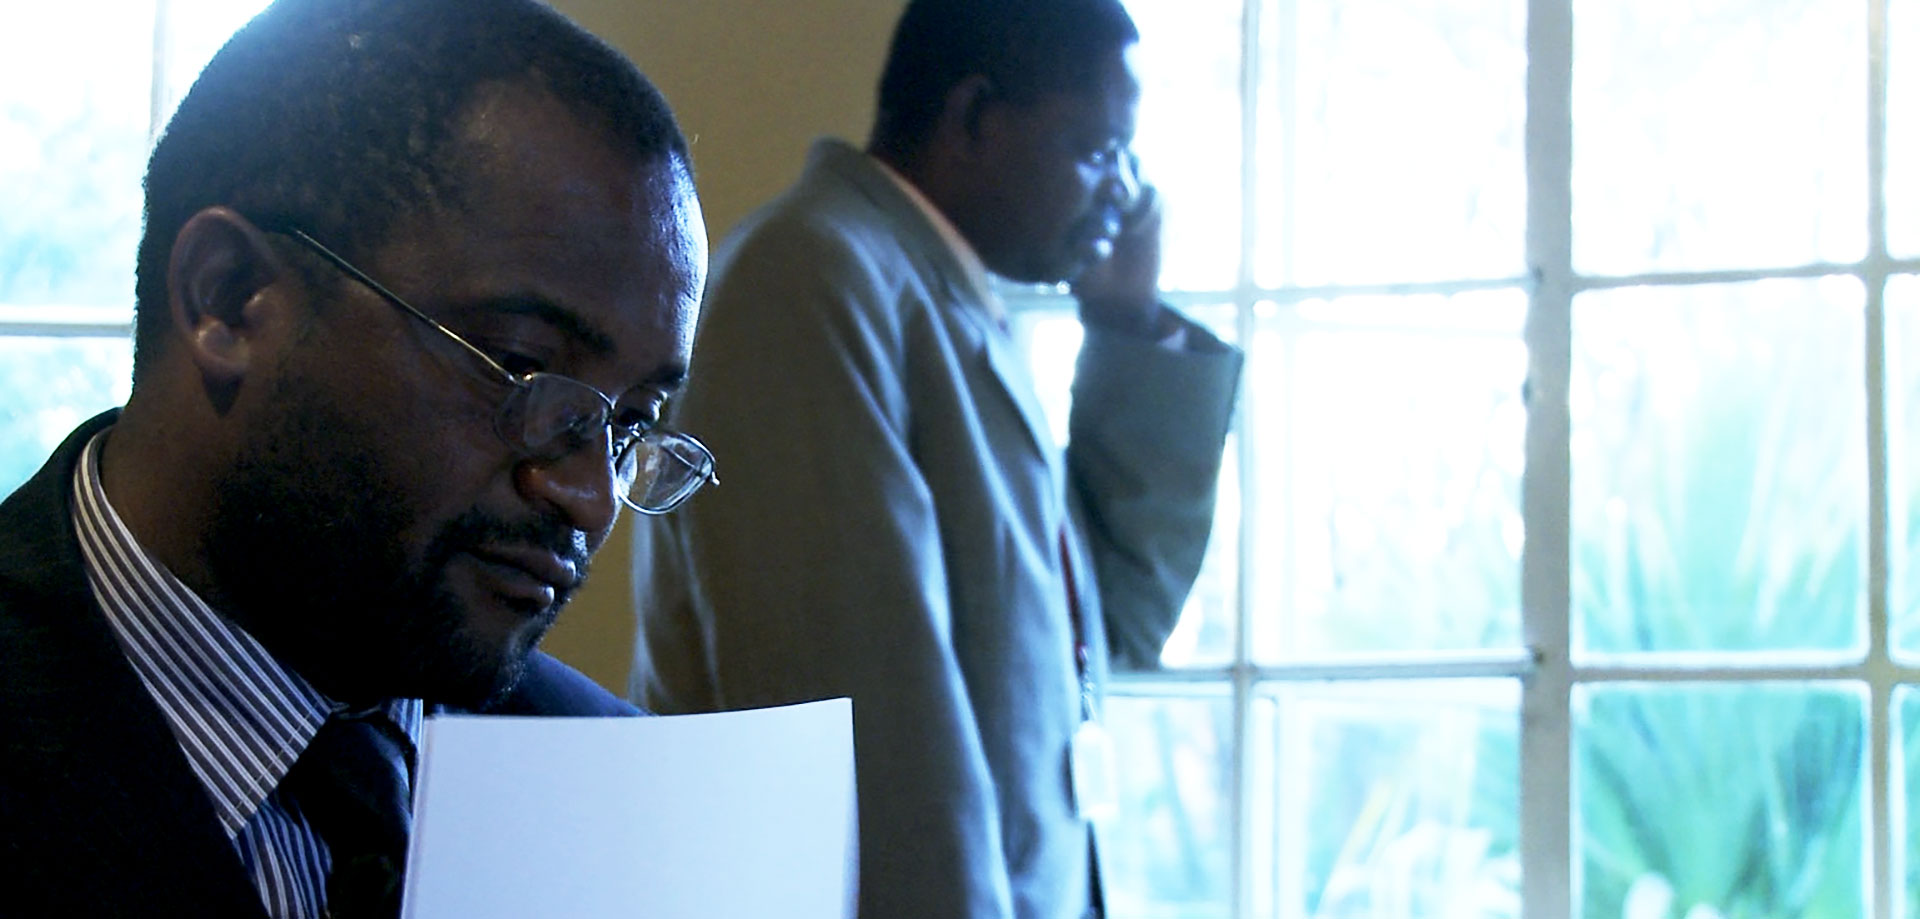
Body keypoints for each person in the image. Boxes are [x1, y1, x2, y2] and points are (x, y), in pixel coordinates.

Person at [0, 0, 713, 915]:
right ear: (229, 297)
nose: (587, 496)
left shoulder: (622, 798)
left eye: (630, 422)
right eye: (525, 370)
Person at [629, 1, 1243, 917]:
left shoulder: (948, 302)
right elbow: (872, 746)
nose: (1120, 194)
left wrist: (1125, 330)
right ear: (974, 117)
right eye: (1093, 149)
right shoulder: (812, 274)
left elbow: (1113, 628)